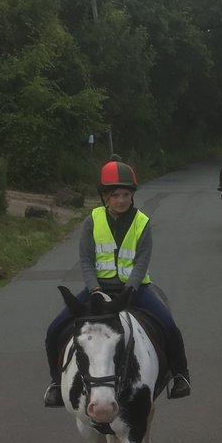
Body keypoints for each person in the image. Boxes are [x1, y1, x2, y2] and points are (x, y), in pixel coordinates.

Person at [43, 157, 192, 406]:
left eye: (126, 195)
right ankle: (57, 383)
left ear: (132, 195)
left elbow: (142, 260)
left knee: (169, 325)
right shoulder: (92, 221)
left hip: (134, 289)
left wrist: (130, 289)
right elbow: (86, 260)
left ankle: (180, 375)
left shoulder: (141, 222)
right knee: (54, 329)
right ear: (105, 197)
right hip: (97, 289)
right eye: (115, 195)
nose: (121, 200)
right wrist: (95, 289)